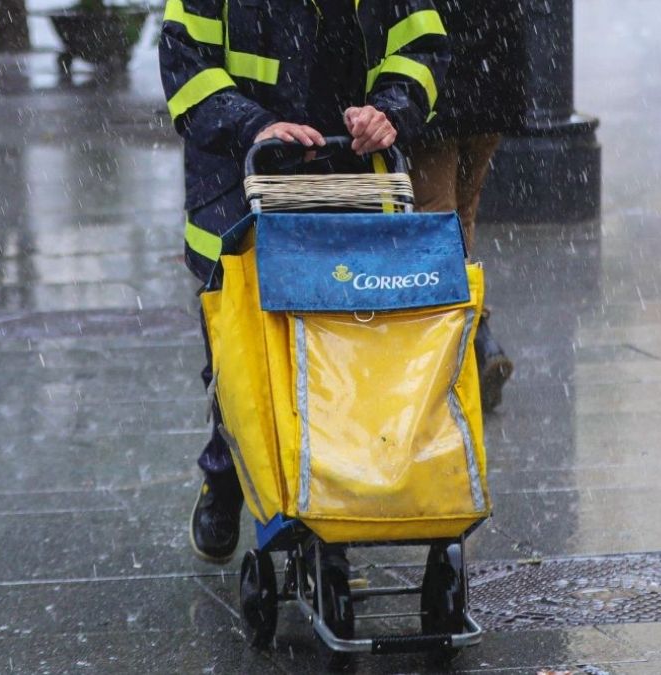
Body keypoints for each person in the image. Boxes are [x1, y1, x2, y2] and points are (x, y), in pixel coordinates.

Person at [159, 0, 449, 563]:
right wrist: (254, 124)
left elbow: (422, 45)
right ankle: (224, 476)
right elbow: (183, 63)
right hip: (238, 188)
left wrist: (389, 109)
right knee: (242, 361)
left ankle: (324, 499)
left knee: (337, 360)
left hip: (348, 186)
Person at [406, 0, 526, 412]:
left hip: (437, 87)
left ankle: (467, 343)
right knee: (459, 218)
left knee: (437, 223)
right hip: (492, 78)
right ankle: (473, 340)